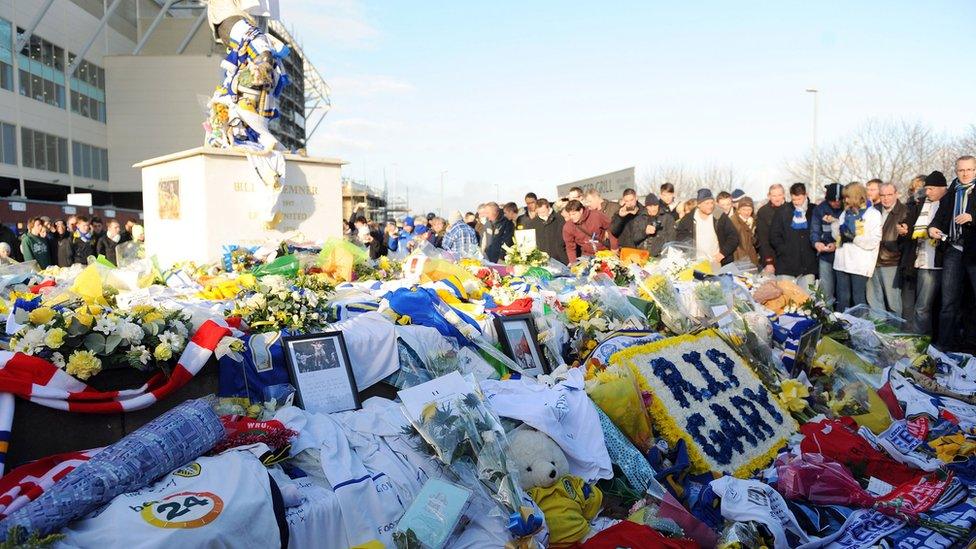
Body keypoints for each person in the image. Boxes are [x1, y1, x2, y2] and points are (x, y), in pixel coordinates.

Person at [929, 155, 976, 350]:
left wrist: (973, 217)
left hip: (974, 251)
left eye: (969, 170)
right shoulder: (950, 193)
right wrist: (932, 228)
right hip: (953, 249)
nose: (965, 174)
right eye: (961, 170)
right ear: (956, 171)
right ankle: (944, 345)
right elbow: (938, 219)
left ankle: (972, 342)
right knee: (948, 301)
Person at [903, 171, 948, 335]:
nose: (927, 192)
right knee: (922, 306)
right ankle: (920, 340)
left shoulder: (948, 204)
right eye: (926, 189)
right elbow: (912, 229)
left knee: (933, 307)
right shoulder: (922, 204)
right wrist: (904, 229)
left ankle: (926, 340)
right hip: (923, 260)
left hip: (940, 260)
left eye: (930, 189)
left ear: (942, 188)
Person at [832, 183, 882, 311]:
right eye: (845, 197)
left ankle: (860, 328)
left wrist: (854, 238)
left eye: (848, 197)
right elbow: (836, 235)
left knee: (857, 298)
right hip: (842, 261)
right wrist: (836, 228)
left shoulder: (872, 214)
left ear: (856, 196)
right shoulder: (845, 213)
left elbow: (873, 241)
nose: (846, 200)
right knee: (842, 298)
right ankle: (841, 327)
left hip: (859, 263)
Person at [867, 183, 907, 315]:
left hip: (892, 261)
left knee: (893, 301)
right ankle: (879, 330)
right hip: (872, 260)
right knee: (874, 300)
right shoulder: (873, 210)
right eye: (883, 195)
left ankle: (896, 332)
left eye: (889, 194)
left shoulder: (905, 211)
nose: (886, 198)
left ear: (896, 194)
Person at [770, 183, 818, 288]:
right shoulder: (782, 211)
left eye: (799, 199)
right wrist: (784, 250)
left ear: (806, 195)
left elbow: (818, 233)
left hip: (808, 264)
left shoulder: (814, 210)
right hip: (786, 264)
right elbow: (774, 236)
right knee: (786, 300)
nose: (796, 202)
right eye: (794, 199)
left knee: (807, 299)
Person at [675, 189, 739, 267]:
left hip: (716, 261)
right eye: (707, 203)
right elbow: (680, 239)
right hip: (695, 263)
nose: (710, 206)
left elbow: (733, 237)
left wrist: (722, 254)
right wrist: (688, 254)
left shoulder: (719, 216)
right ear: (699, 204)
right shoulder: (688, 219)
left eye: (712, 203)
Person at [810, 183, 844, 307]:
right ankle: (827, 313)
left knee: (842, 290)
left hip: (842, 254)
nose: (836, 204)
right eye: (832, 201)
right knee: (826, 288)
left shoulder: (847, 208)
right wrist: (816, 242)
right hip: (825, 256)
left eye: (838, 201)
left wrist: (837, 244)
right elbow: (815, 230)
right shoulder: (820, 209)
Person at [623, 193, 676, 258]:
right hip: (642, 256)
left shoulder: (668, 218)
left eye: (655, 205)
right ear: (646, 206)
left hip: (661, 256)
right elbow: (634, 238)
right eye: (650, 206)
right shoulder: (639, 219)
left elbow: (672, 239)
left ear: (658, 205)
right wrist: (645, 232)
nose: (653, 208)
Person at [756, 184, 786, 275]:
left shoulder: (791, 209)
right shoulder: (763, 212)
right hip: (771, 258)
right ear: (769, 196)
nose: (777, 198)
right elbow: (763, 239)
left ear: (784, 194)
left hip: (788, 258)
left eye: (779, 195)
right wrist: (769, 262)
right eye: (774, 195)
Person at [529, 198, 568, 264]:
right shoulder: (533, 223)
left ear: (548, 208)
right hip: (543, 260)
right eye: (539, 212)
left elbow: (565, 239)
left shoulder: (559, 218)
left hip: (561, 258)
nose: (542, 214)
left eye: (543, 212)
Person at [730, 196, 759, 265]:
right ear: (738, 210)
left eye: (749, 209)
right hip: (738, 258)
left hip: (752, 259)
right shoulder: (732, 221)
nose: (746, 212)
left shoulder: (755, 221)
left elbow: (756, 242)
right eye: (743, 209)